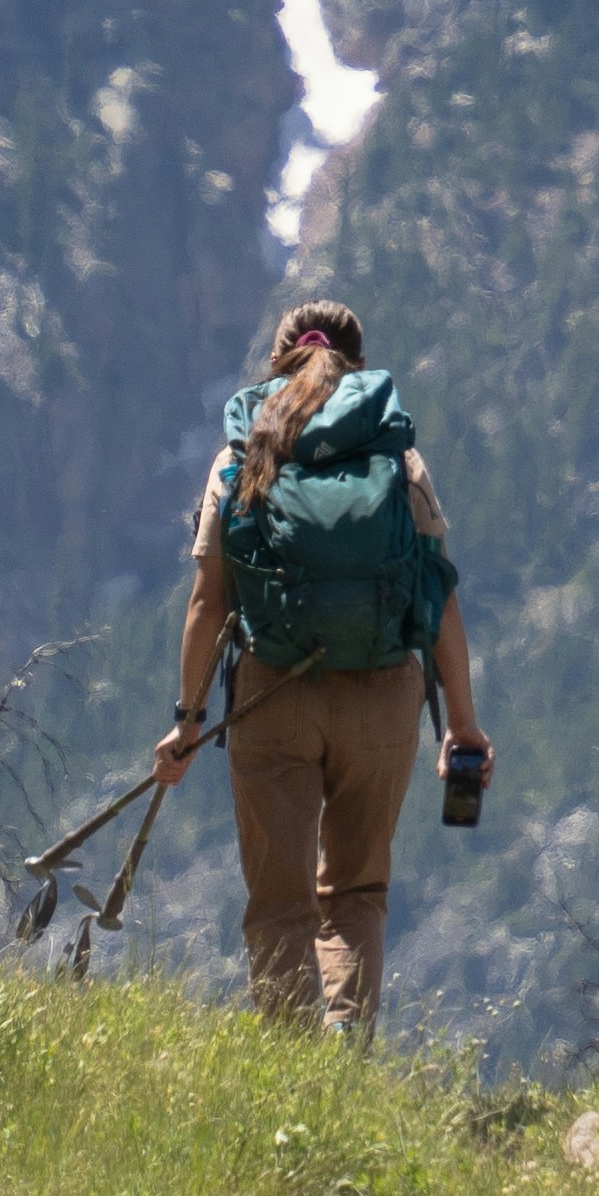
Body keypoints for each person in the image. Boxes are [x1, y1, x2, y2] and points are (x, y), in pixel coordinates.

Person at [150, 295, 490, 1025]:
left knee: (279, 901)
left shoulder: (243, 454)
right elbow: (440, 594)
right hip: (381, 694)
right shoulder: (396, 455)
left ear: (277, 361)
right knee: (356, 892)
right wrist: (460, 727)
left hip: (273, 694)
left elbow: (208, 602)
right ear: (356, 367)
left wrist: (187, 719)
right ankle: (342, 1054)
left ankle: (290, 1074)